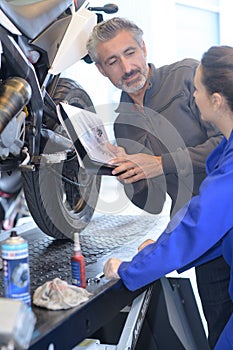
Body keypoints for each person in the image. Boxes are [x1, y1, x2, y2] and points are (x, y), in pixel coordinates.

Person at [87, 18, 233, 347]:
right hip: (197, 243)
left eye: (130, 52)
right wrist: (119, 169)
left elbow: (221, 149)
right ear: (101, 70)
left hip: (204, 229)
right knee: (219, 328)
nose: (126, 67)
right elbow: (149, 203)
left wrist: (158, 163)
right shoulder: (123, 119)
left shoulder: (187, 77)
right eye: (113, 61)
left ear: (144, 49)